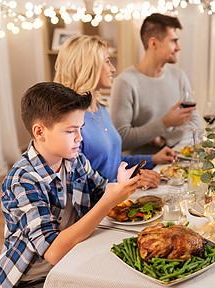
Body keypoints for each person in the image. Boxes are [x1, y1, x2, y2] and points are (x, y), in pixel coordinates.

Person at [0, 82, 140, 288]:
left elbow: (101, 190)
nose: (79, 138)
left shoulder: (74, 158)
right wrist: (109, 200)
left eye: (80, 128)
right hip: (29, 284)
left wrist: (119, 184)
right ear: (39, 132)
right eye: (71, 131)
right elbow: (53, 251)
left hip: (70, 263)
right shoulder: (22, 180)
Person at [54, 35, 176, 187]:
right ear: (88, 66)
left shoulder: (101, 108)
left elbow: (115, 161)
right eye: (106, 61)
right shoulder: (70, 121)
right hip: (101, 205)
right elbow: (78, 186)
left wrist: (152, 159)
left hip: (119, 198)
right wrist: (128, 183)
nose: (113, 68)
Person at [110, 13, 201, 155]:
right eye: (173, 41)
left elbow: (195, 124)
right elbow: (120, 138)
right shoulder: (125, 83)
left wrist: (165, 139)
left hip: (175, 164)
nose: (178, 47)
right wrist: (165, 123)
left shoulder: (179, 76)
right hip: (140, 170)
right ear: (153, 43)